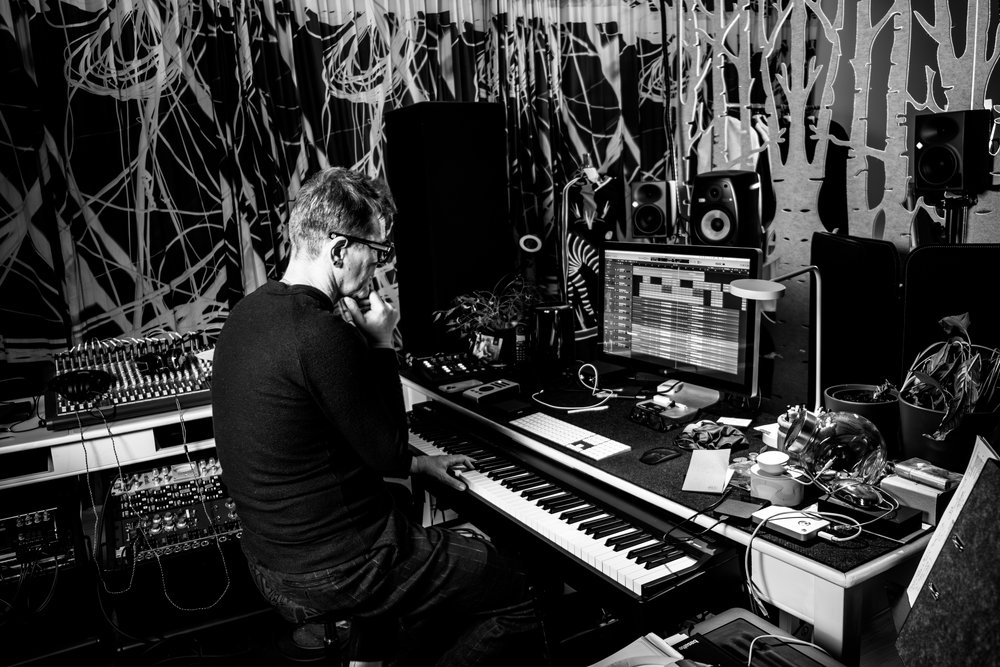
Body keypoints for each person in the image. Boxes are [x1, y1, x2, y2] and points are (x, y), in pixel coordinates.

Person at [211, 166, 549, 666]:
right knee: (520, 589)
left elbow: (339, 442)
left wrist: (420, 464)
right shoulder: (320, 333)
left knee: (396, 503)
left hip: (270, 560)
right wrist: (381, 342)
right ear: (339, 249)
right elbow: (387, 452)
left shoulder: (248, 313)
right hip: (339, 569)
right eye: (377, 250)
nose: (379, 265)